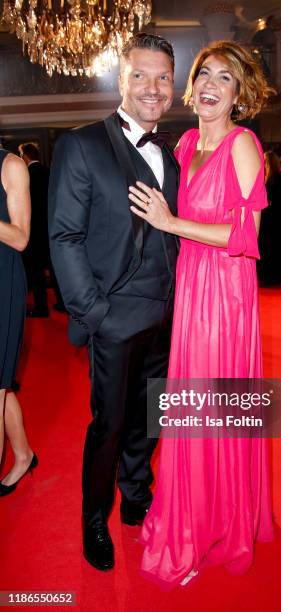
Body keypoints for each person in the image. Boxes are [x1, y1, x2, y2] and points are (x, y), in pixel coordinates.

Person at [129, 40, 274, 588]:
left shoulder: (243, 145)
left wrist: (171, 225)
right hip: (189, 290)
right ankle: (191, 514)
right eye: (204, 74)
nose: (211, 85)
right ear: (192, 85)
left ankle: (208, 526)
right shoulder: (185, 141)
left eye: (225, 79)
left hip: (226, 297)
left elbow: (247, 237)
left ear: (239, 94)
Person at [48, 33, 179, 572]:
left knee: (148, 418)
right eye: (141, 75)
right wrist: (96, 315)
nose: (153, 88)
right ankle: (93, 517)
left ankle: (136, 494)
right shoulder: (82, 145)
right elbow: (64, 237)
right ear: (120, 80)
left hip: (167, 316)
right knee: (108, 423)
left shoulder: (171, 154)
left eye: (163, 78)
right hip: (114, 318)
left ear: (173, 87)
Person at [0, 148, 38, 498]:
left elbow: (20, 237)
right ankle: (23, 454)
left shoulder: (11, 166)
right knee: (1, 387)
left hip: (3, 287)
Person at [18, 142, 65, 316]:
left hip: (34, 231)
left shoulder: (25, 176)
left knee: (36, 271)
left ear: (25, 156)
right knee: (56, 269)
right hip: (53, 229)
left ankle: (41, 308)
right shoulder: (50, 173)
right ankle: (63, 303)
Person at [258, 151, 281, 285]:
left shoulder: (271, 181)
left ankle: (270, 276)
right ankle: (278, 275)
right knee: (278, 247)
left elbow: (269, 202)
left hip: (271, 221)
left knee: (269, 248)